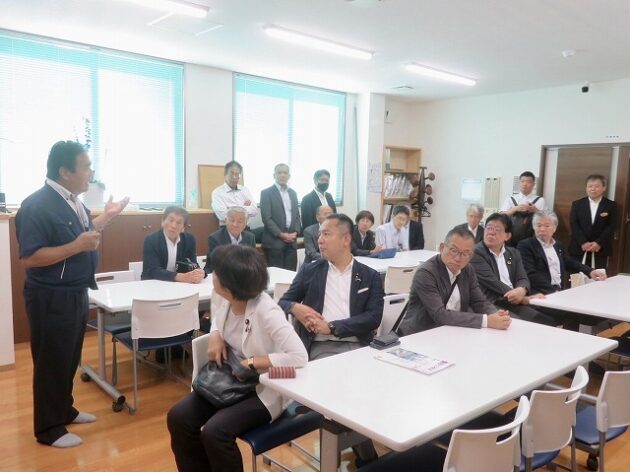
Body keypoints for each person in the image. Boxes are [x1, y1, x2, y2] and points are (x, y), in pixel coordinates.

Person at [15, 140, 129, 448]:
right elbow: (30, 258)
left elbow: (84, 234)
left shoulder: (72, 201)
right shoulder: (36, 206)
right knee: (51, 362)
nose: (91, 172)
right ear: (65, 172)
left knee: (68, 358)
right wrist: (76, 247)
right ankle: (48, 429)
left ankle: (64, 410)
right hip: (51, 296)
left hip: (76, 292)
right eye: (86, 167)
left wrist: (108, 216)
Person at [167, 245, 308, 472]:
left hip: (263, 386)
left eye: (216, 273)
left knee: (215, 432)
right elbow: (217, 317)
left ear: (230, 285)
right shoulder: (223, 295)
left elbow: (299, 357)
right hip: (228, 379)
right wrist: (215, 334)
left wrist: (252, 363)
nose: (212, 275)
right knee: (178, 417)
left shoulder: (267, 311)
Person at [278, 213, 383, 467]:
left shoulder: (369, 275)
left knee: (370, 390)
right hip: (321, 348)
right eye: (320, 234)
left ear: (346, 239)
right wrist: (295, 308)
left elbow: (373, 318)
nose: (320, 240)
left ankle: (362, 451)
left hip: (359, 346)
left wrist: (334, 327)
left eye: (326, 234)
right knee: (346, 392)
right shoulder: (311, 270)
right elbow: (283, 301)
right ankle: (367, 459)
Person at [397, 227, 512, 335]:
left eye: (465, 254)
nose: (458, 258)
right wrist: (487, 321)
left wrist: (495, 314)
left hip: (453, 331)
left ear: (471, 256)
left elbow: (479, 302)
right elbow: (439, 315)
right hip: (419, 334)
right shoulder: (426, 273)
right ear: (442, 248)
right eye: (453, 250)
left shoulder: (468, 270)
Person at [470, 213, 556, 326]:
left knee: (547, 322)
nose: (491, 232)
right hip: (491, 302)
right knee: (519, 325)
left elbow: (522, 278)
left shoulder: (513, 253)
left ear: (507, 236)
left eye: (497, 229)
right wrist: (523, 298)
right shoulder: (476, 253)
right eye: (489, 228)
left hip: (512, 302)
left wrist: (522, 289)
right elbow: (493, 283)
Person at [517, 210, 606, 295]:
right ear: (533, 227)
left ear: (554, 228)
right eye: (538, 225)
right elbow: (530, 274)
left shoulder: (557, 245)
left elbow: (568, 263)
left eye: (547, 226)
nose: (542, 229)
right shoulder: (525, 245)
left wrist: (590, 271)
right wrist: (553, 291)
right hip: (539, 293)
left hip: (559, 290)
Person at [141, 206, 205, 283]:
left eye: (178, 223)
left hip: (179, 284)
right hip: (153, 283)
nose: (173, 226)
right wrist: (180, 277)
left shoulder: (189, 239)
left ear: (183, 228)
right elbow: (154, 270)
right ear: (162, 222)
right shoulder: (151, 240)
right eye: (171, 220)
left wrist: (200, 273)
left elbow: (192, 264)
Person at [568, 174, 617, 270]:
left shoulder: (611, 205)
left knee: (598, 276)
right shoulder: (577, 204)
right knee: (576, 276)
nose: (593, 189)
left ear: (604, 188)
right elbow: (574, 224)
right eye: (590, 186)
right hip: (579, 248)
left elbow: (611, 226)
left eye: (596, 186)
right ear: (586, 188)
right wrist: (583, 242)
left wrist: (598, 243)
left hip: (600, 249)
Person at [260, 163, 301, 270]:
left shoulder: (293, 193)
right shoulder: (266, 193)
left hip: (291, 242)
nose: (282, 175)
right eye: (279, 173)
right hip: (274, 242)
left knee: (291, 275)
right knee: (276, 276)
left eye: (285, 173)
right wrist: (281, 234)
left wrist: (295, 233)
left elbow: (297, 216)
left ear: (289, 176)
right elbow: (266, 218)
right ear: (274, 175)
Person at [500, 171, 547, 246]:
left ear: (533, 184)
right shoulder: (510, 199)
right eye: (522, 181)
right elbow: (501, 216)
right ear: (519, 183)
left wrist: (535, 210)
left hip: (532, 239)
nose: (525, 184)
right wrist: (515, 209)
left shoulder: (540, 200)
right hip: (511, 238)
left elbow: (546, 219)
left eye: (528, 182)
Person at [204, 206, 256, 274]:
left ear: (245, 224)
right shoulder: (215, 238)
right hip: (220, 274)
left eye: (240, 221)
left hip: (243, 274)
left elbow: (252, 261)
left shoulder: (250, 237)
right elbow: (216, 264)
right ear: (226, 221)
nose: (235, 224)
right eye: (232, 220)